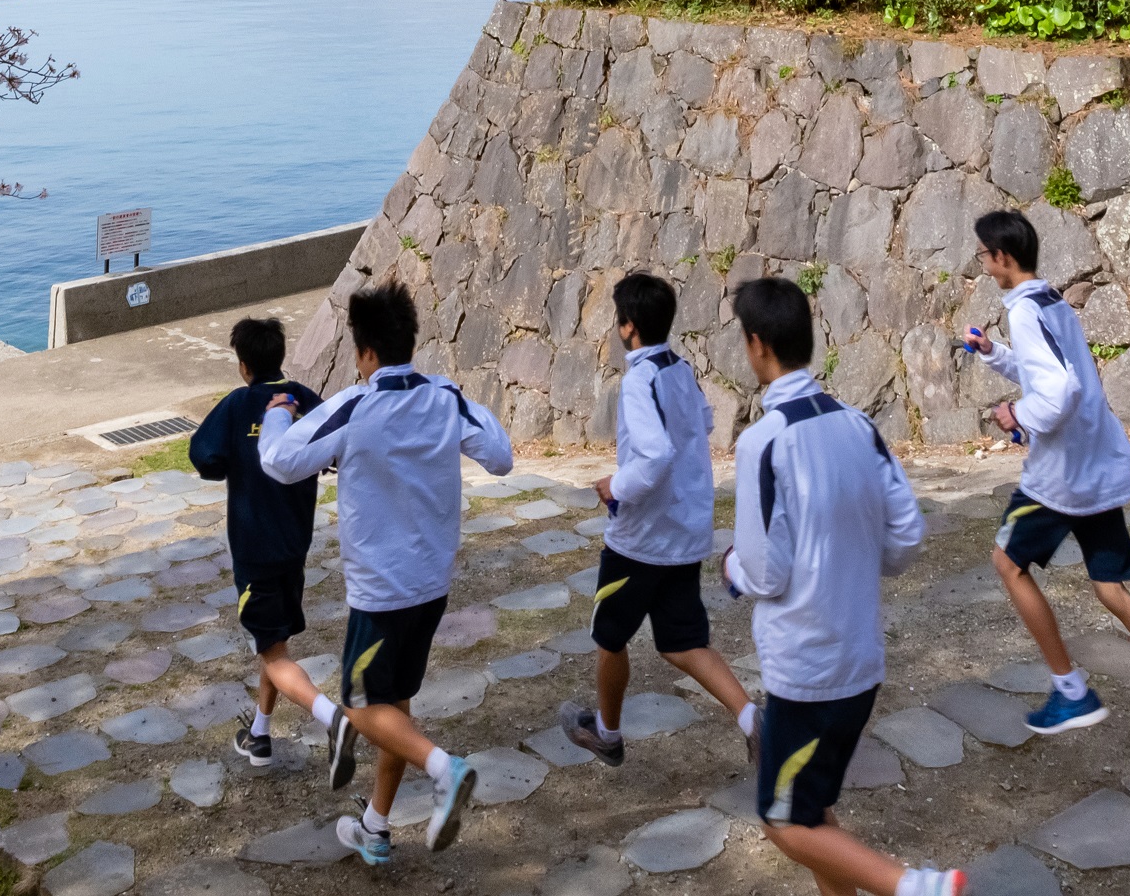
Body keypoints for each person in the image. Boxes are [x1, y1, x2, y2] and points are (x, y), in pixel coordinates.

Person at [958, 208, 1130, 768]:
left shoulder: (1026, 313)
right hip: (1096, 468)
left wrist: (1015, 415)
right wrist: (993, 356)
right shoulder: (1051, 304)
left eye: (985, 256)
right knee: (1112, 592)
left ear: (1003, 258)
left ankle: (1070, 690)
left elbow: (1057, 392)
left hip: (1061, 478)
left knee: (1007, 563)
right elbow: (1056, 374)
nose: (984, 266)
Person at [718, 275, 962, 896]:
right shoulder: (858, 426)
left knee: (783, 819)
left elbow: (765, 570)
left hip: (805, 670)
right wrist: (849, 558)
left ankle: (913, 887)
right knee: (815, 805)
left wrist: (730, 571)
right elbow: (905, 534)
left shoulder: (763, 443)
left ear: (756, 346)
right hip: (860, 660)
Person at [258, 279, 515, 863]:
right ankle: (375, 827)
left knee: (357, 708)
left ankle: (445, 769)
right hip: (432, 584)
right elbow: (500, 457)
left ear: (364, 351)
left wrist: (277, 415)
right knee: (392, 708)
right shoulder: (444, 398)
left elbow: (279, 461)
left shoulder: (356, 403)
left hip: (381, 591)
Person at [559, 271, 755, 765]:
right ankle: (754, 719)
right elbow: (704, 423)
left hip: (639, 540)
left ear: (628, 328)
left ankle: (606, 732)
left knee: (609, 635)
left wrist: (615, 486)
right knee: (682, 641)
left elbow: (654, 455)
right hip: (685, 534)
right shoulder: (680, 370)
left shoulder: (639, 380)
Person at [186, 314, 326, 770]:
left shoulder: (236, 404)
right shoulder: (305, 400)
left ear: (243, 364)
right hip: (295, 547)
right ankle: (260, 735)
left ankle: (336, 719)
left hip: (254, 550)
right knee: (275, 643)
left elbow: (205, 456)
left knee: (273, 651)